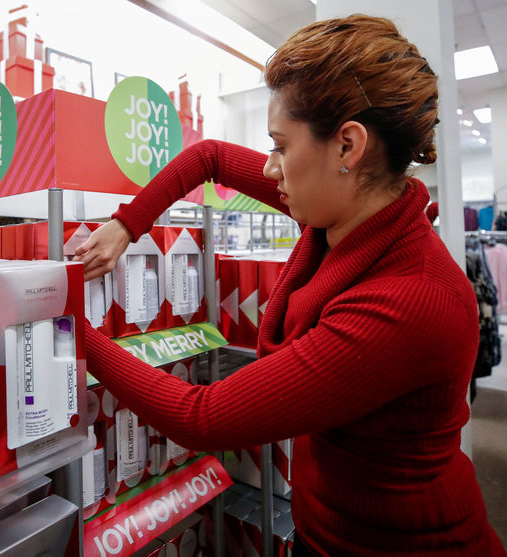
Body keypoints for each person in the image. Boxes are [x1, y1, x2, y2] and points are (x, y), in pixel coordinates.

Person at [73, 14, 505, 557]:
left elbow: (200, 416)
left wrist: (72, 329)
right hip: (326, 527)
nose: (271, 169)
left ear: (348, 147)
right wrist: (124, 226)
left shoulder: (408, 301)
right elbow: (210, 157)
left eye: (280, 145)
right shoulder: (338, 212)